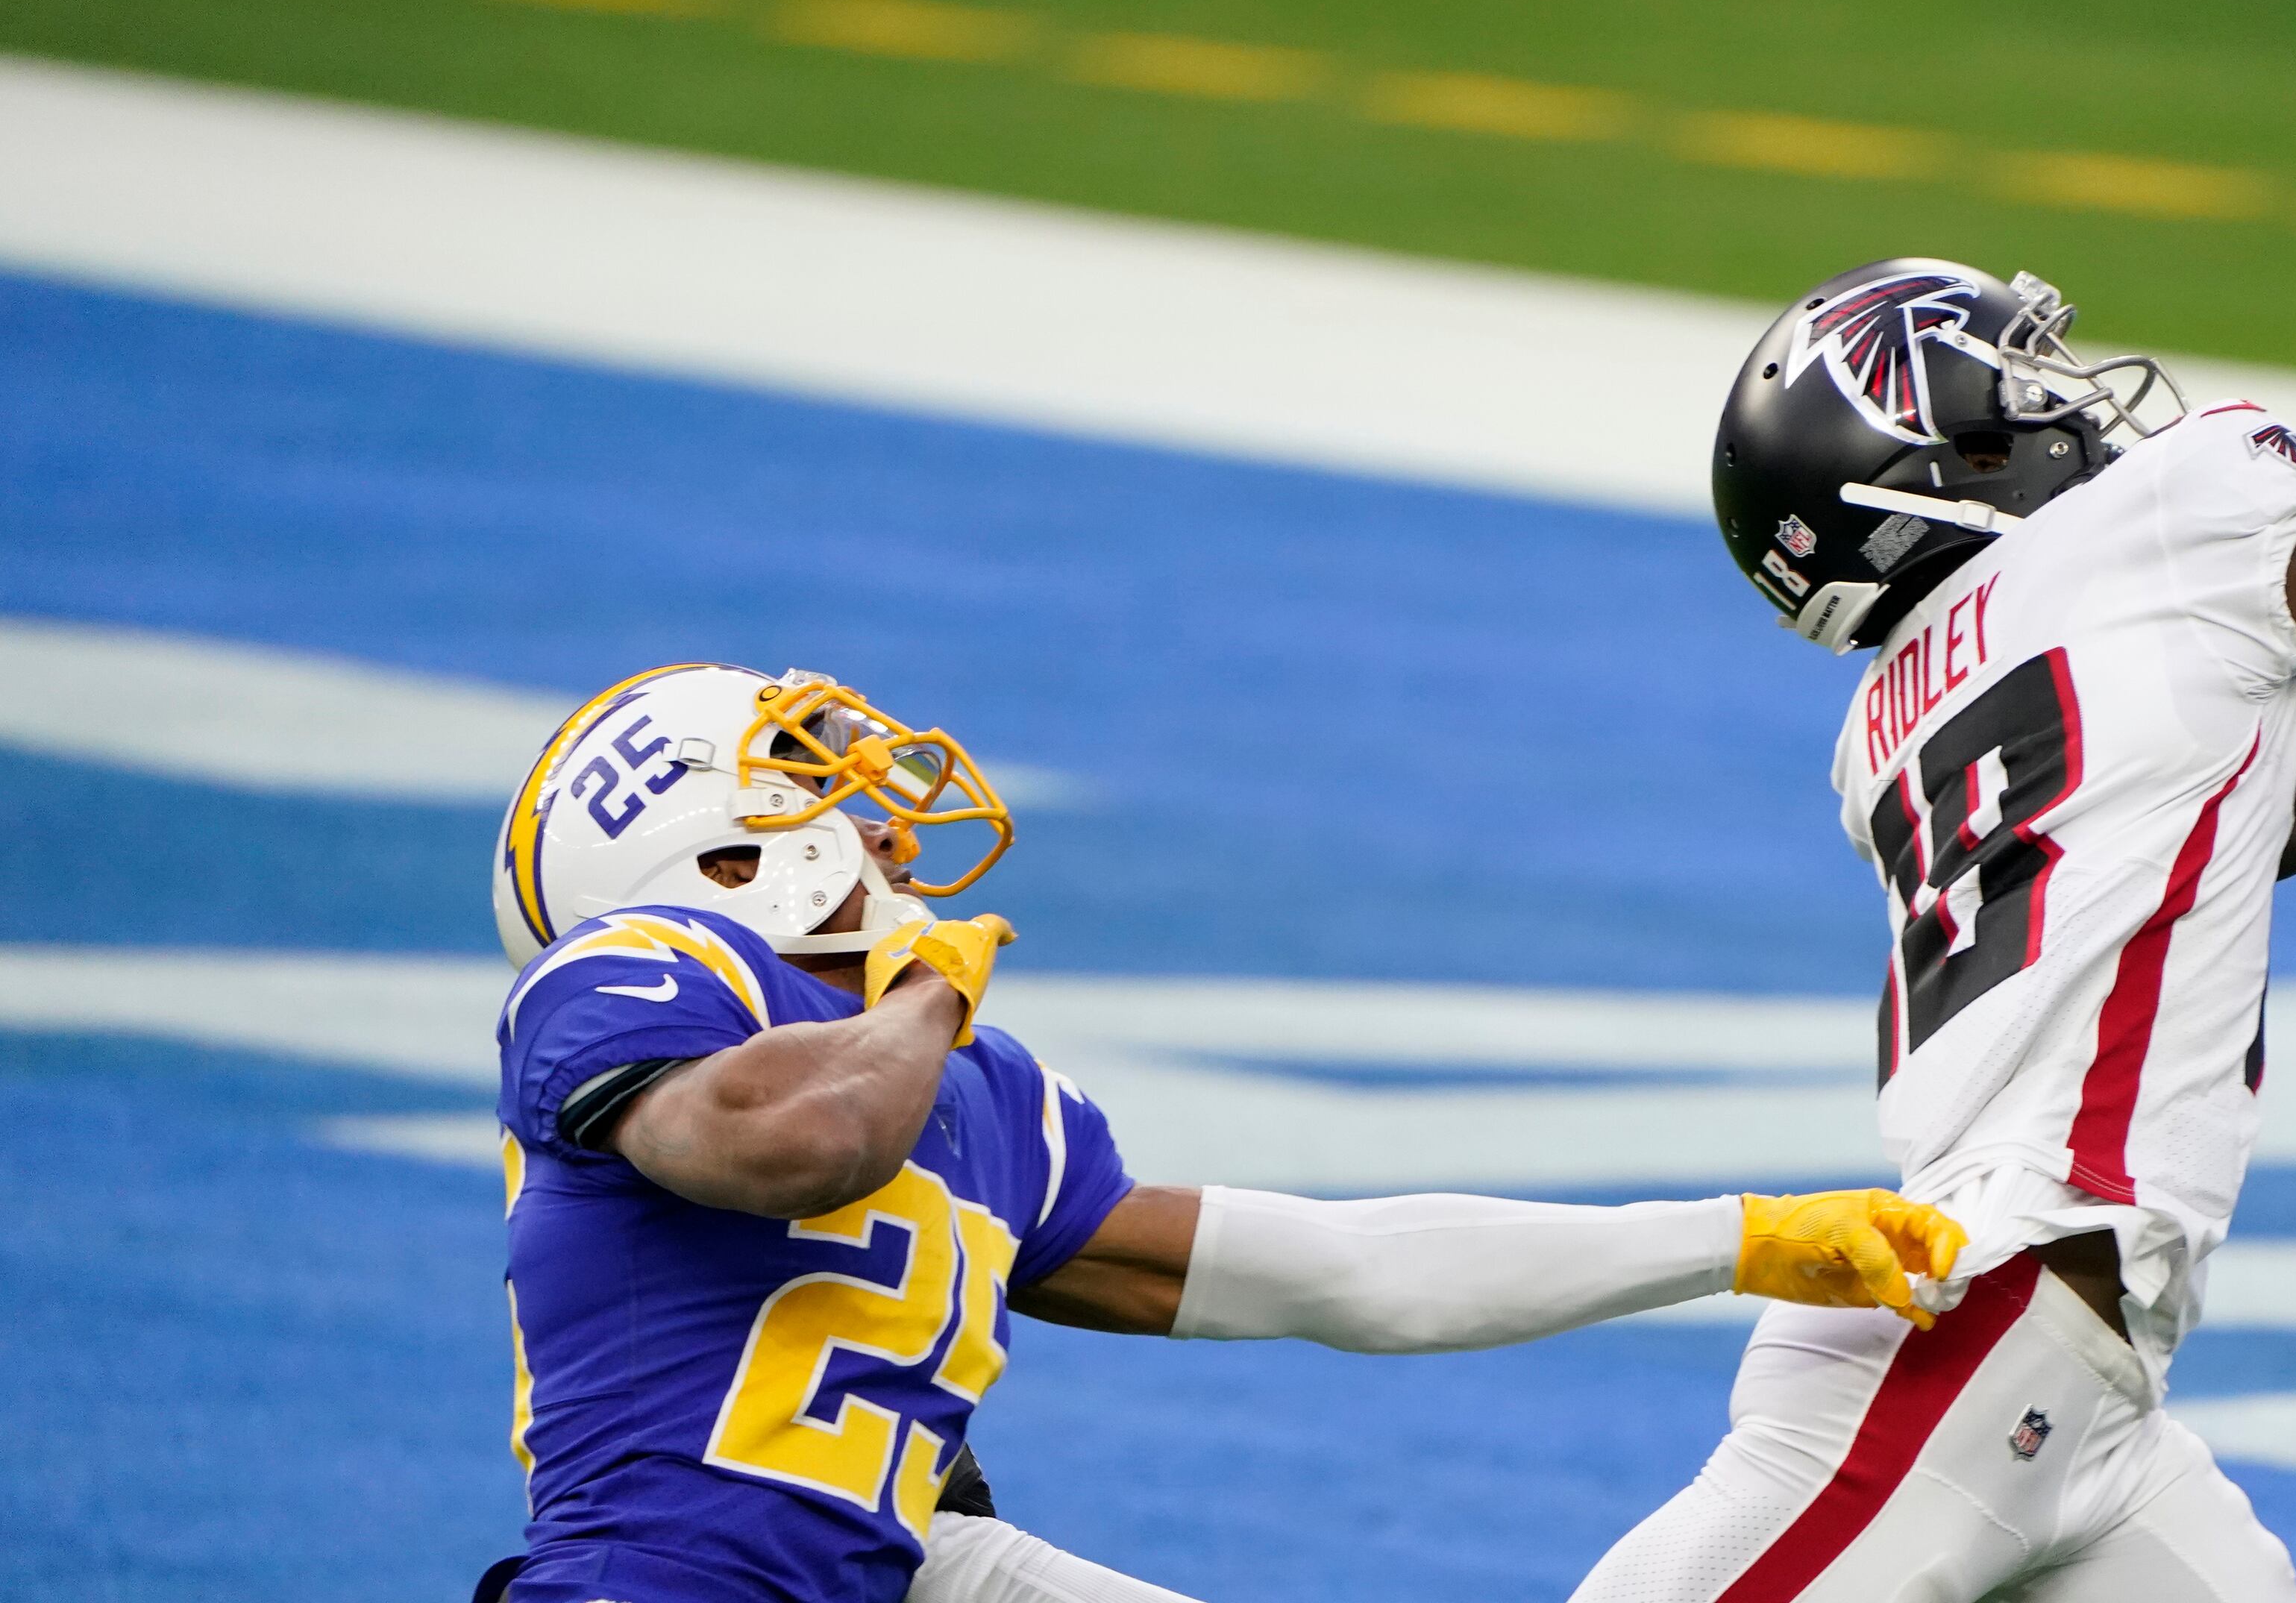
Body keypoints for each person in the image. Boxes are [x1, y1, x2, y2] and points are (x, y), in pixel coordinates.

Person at [1566, 209, 2296, 1603]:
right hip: (1983, 1322)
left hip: (2076, 1363)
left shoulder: (1888, 725)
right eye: (2019, 389)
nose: (2070, 398)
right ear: (1952, 464)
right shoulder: (2175, 509)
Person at [477, 662, 1968, 1603]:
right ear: (715, 851)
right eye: (821, 787)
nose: (883, 825)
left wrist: (1736, 1240)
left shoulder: (981, 1097)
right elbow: (789, 1145)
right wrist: (927, 995)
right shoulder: (629, 981)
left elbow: (1349, 1272)